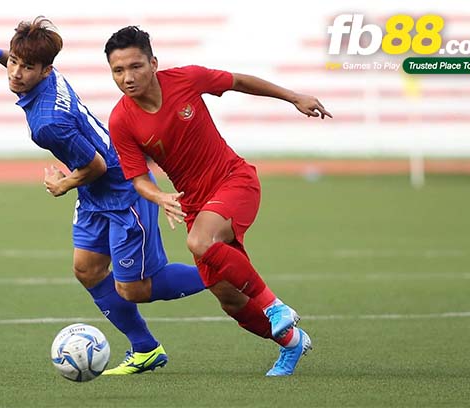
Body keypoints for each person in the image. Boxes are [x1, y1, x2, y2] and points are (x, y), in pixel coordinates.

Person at [0, 17, 206, 375]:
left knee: (135, 287)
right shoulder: (49, 75)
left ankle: (219, 272)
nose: (15, 72)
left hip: (122, 187)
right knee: (87, 270)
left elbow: (95, 166)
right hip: (96, 195)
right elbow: (22, 65)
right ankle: (145, 349)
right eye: (13, 61)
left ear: (45, 72)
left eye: (26, 66)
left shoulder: (48, 124)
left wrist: (63, 185)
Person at [104, 26, 333, 376]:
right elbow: (137, 179)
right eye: (118, 71)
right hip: (195, 204)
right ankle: (291, 343)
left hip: (234, 180)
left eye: (135, 66)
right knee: (230, 299)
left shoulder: (187, 79)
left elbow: (239, 81)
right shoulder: (121, 120)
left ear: (153, 63)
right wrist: (161, 196)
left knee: (199, 242)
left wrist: (293, 97)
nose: (127, 77)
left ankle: (275, 306)